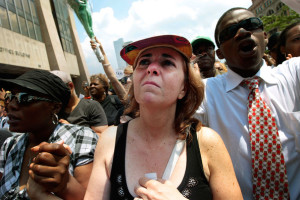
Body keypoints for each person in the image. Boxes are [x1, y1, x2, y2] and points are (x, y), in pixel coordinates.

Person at [84, 35, 242, 200]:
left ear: (184, 88)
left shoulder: (208, 142)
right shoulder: (110, 140)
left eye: (167, 63)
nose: (151, 68)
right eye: (143, 62)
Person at [196, 7, 300, 199]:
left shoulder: (293, 73)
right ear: (220, 53)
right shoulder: (205, 92)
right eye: (230, 31)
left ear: (265, 36)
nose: (243, 32)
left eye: (251, 25)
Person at [0, 69, 98, 199]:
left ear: (55, 107)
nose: (11, 105)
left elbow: (90, 197)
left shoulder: (81, 137)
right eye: (10, 97)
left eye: (24, 98)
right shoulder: (10, 145)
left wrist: (65, 185)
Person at [51, 70, 108, 135]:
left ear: (70, 86)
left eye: (56, 89)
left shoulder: (92, 106)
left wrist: (71, 129)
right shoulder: (54, 111)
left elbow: (101, 136)